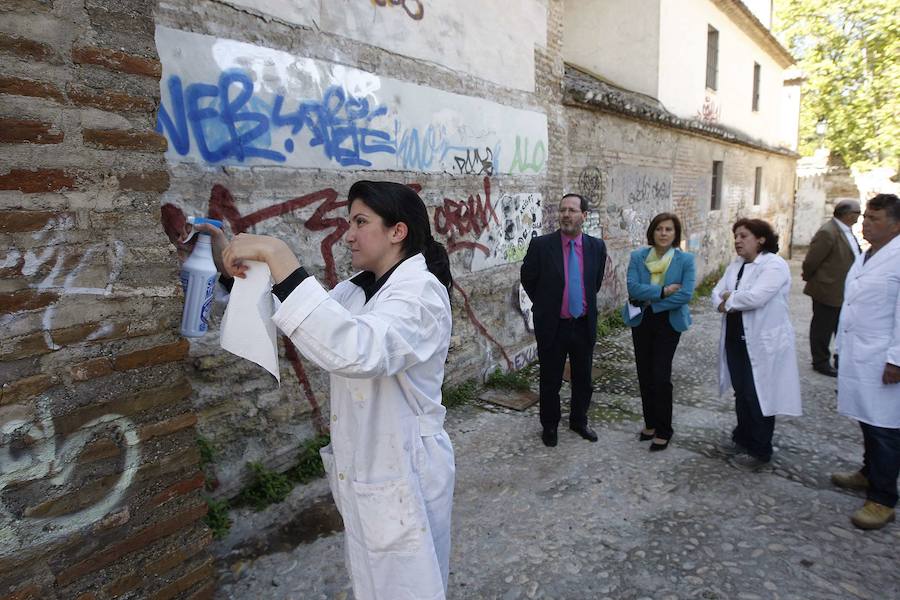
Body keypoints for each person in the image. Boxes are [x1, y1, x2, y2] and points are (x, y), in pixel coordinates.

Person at [200, 181, 455, 600]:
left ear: (398, 231)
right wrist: (229, 261)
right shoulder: (358, 288)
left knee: (410, 587)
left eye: (360, 222)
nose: (348, 234)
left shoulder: (421, 294)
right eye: (348, 222)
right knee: (376, 582)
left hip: (405, 464)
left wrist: (281, 254)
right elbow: (302, 316)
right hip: (373, 464)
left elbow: (355, 349)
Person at [830, 193, 900, 530]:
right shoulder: (869, 254)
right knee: (866, 419)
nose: (865, 223)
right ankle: (868, 472)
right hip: (859, 352)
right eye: (865, 218)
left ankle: (883, 499)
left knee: (885, 427)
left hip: (883, 356)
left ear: (895, 224)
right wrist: (840, 345)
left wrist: (897, 360)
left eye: (874, 219)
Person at [711, 218, 802, 471]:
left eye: (743, 236)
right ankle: (742, 438)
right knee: (742, 392)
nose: (737, 241)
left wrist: (729, 299)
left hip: (763, 342)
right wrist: (726, 298)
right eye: (736, 236)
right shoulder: (736, 265)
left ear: (760, 239)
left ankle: (760, 449)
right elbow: (716, 292)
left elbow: (756, 297)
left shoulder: (774, 265)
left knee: (759, 394)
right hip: (736, 339)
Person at [521, 193, 607, 447]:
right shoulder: (542, 246)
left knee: (583, 379)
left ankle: (579, 421)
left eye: (572, 210)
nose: (566, 215)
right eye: (562, 210)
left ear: (584, 216)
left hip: (582, 324)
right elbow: (528, 278)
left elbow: (596, 283)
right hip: (553, 326)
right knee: (550, 380)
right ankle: (549, 426)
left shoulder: (596, 247)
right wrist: (547, 305)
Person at [621, 213, 696, 451]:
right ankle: (650, 424)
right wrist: (663, 292)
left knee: (660, 375)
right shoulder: (638, 257)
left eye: (669, 230)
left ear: (675, 235)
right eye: (659, 229)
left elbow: (685, 295)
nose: (664, 233)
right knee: (644, 372)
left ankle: (665, 429)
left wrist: (652, 301)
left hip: (669, 322)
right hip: (642, 320)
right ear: (652, 232)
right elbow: (632, 287)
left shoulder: (685, 261)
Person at [801, 199, 862, 376]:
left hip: (842, 289)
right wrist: (809, 277)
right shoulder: (828, 232)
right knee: (823, 327)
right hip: (827, 289)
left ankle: (840, 358)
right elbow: (812, 260)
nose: (860, 216)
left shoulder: (845, 230)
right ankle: (820, 361)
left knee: (841, 325)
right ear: (847, 214)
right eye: (858, 213)